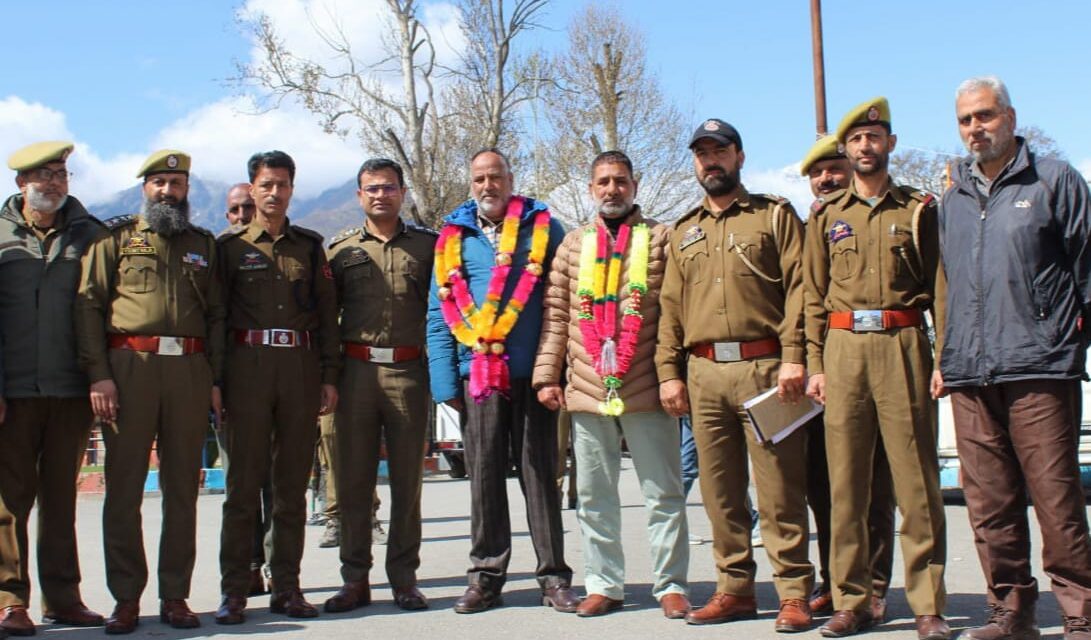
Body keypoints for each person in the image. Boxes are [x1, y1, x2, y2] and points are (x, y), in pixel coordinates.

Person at [938, 76, 1091, 640]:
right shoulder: (951, 197)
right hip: (971, 372)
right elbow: (950, 281)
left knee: (1056, 499)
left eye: (984, 115)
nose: (975, 128)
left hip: (1039, 368)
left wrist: (1067, 343)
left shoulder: (1054, 180)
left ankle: (1081, 614)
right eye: (965, 120)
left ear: (1010, 116)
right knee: (990, 505)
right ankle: (1012, 612)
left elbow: (1087, 273)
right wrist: (949, 356)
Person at [657, 119, 815, 632]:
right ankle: (734, 589)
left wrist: (795, 355)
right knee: (720, 492)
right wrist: (669, 373)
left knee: (779, 490)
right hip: (703, 373)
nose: (710, 161)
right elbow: (671, 309)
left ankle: (793, 591)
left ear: (740, 157)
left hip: (768, 369)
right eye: (702, 153)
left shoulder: (773, 216)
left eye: (719, 151)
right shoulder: (683, 231)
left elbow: (801, 290)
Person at [803, 98, 948, 639]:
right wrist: (815, 364)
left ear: (890, 143)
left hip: (903, 343)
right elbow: (812, 299)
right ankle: (851, 599)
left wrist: (943, 357)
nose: (866, 146)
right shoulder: (828, 215)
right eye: (857, 140)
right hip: (843, 350)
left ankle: (928, 604)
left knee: (916, 485)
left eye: (875, 137)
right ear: (847, 149)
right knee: (847, 486)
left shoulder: (917, 208)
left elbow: (940, 289)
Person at [534, 150, 691, 619]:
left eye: (620, 181)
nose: (611, 190)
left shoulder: (663, 239)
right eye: (602, 181)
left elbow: (674, 313)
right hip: (585, 387)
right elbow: (558, 315)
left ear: (635, 186)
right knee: (594, 496)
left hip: (648, 385)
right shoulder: (573, 245)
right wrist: (546, 375)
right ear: (590, 188)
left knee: (663, 492)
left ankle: (671, 585)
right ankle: (604, 583)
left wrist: (672, 377)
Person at [75, 149, 225, 634]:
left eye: (176, 184)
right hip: (129, 368)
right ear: (144, 188)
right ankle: (125, 599)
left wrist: (215, 378)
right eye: (159, 182)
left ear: (185, 191)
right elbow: (88, 307)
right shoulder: (114, 240)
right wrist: (99, 374)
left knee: (183, 489)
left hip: (188, 371)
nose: (167, 191)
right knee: (124, 490)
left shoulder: (203, 245)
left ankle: (175, 596)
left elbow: (219, 316)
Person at [426, 148, 576, 614]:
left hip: (533, 375)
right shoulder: (453, 237)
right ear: (469, 183)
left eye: (495, 176)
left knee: (539, 475)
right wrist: (443, 383)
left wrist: (559, 370)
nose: (488, 185)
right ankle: (486, 577)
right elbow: (438, 311)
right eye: (479, 179)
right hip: (478, 376)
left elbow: (565, 296)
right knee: (484, 477)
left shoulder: (545, 226)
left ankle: (553, 577)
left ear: (511, 179)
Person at [215, 150, 340, 624]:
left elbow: (327, 316)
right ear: (252, 188)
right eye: (266, 184)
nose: (273, 192)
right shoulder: (228, 250)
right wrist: (216, 381)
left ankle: (287, 587)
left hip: (299, 369)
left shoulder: (309, 247)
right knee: (241, 488)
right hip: (246, 369)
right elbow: (217, 318)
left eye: (282, 184)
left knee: (290, 488)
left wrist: (329, 377)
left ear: (292, 188)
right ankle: (234, 591)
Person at [0, 142, 107, 636]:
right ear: (21, 182)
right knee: (8, 500)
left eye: (62, 173)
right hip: (13, 390)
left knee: (60, 501)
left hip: (70, 390)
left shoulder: (90, 235)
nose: (56, 182)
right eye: (44, 175)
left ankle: (63, 598)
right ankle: (9, 599)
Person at [322, 157, 436, 613]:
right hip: (355, 373)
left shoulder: (428, 247)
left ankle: (404, 578)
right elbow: (327, 321)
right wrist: (327, 378)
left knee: (408, 481)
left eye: (388, 188)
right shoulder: (339, 251)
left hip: (409, 373)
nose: (380, 195)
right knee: (353, 481)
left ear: (402, 192)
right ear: (359, 196)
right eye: (371, 189)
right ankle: (355, 579)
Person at [798, 135, 896, 621]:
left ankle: (873, 585)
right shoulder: (808, 224)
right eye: (817, 174)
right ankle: (834, 579)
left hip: (865, 363)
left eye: (834, 168)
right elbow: (804, 300)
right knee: (823, 485)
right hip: (814, 374)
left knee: (871, 483)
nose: (826, 178)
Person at [213, 183, 273, 596]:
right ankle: (246, 568)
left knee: (279, 483)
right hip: (231, 384)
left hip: (280, 380)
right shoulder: (215, 253)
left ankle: (276, 568)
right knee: (241, 483)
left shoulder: (283, 246)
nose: (241, 216)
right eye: (234, 210)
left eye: (247, 207)